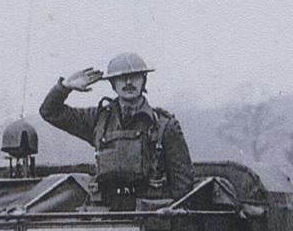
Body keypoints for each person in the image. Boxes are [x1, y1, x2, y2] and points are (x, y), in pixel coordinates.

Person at [40, 52, 195, 208]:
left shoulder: (165, 125)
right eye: (121, 77)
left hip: (150, 220)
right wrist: (64, 87)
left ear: (143, 80)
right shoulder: (98, 120)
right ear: (113, 83)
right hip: (108, 220)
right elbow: (50, 112)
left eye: (135, 76)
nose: (128, 82)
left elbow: (183, 187)